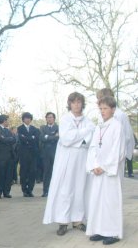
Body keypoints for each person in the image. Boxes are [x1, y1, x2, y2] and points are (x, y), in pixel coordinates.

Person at [43, 92, 95, 236]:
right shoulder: (65, 119)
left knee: (80, 188)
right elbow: (66, 138)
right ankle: (63, 221)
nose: (77, 105)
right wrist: (83, 135)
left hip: (82, 160)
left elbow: (90, 139)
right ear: (70, 104)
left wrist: (79, 138)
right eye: (74, 102)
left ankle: (78, 220)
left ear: (82, 104)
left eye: (79, 102)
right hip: (66, 160)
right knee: (65, 189)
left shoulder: (88, 120)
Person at [86, 96, 126, 245]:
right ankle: (100, 230)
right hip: (98, 170)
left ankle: (113, 232)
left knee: (110, 201)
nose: (102, 111)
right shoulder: (99, 126)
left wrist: (104, 167)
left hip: (109, 171)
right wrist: (95, 165)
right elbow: (93, 148)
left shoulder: (117, 126)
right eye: (100, 108)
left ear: (113, 109)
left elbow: (118, 150)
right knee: (97, 200)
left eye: (105, 108)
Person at [96, 88, 135, 178]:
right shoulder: (100, 115)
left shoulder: (120, 115)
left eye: (99, 99)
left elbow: (127, 136)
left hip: (115, 156)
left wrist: (114, 153)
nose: (97, 102)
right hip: (102, 155)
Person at [17, 112, 39, 197]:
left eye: (29, 118)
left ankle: (30, 189)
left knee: (32, 172)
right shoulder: (19, 128)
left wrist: (27, 138)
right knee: (24, 172)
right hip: (23, 154)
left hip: (33, 154)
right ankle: (24, 190)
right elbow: (21, 139)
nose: (28, 119)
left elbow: (36, 138)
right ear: (23, 119)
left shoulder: (35, 129)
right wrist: (31, 138)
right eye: (26, 118)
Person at [0, 114, 16, 199]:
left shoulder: (8, 130)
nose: (8, 122)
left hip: (10, 155)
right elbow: (1, 139)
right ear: (4, 121)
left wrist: (7, 139)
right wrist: (8, 139)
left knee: (9, 175)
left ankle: (6, 191)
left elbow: (14, 139)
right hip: (1, 156)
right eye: (7, 120)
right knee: (1, 174)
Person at [39, 112, 59, 197]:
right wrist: (53, 136)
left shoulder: (58, 127)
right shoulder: (43, 128)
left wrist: (48, 137)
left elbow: (59, 137)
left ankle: (55, 191)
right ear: (46, 119)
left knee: (56, 172)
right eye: (48, 117)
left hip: (56, 153)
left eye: (51, 117)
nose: (49, 119)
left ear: (54, 118)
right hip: (46, 153)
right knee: (46, 172)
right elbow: (42, 138)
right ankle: (45, 191)